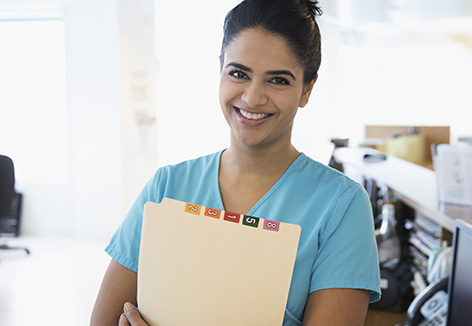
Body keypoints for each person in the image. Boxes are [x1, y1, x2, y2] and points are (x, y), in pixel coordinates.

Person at [90, 0, 381, 325]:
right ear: (220, 71)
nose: (253, 98)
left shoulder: (341, 206)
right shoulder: (166, 187)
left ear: (307, 89)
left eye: (279, 80)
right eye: (239, 73)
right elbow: (103, 320)